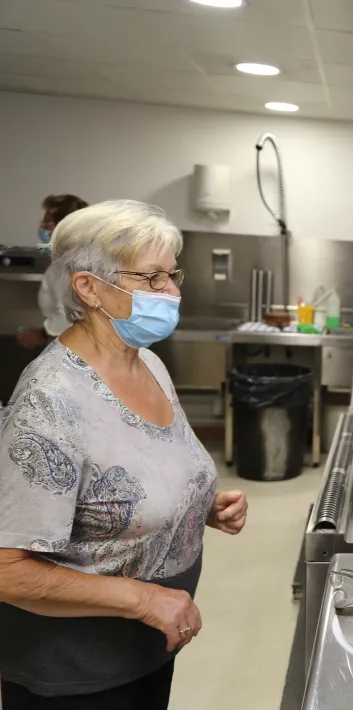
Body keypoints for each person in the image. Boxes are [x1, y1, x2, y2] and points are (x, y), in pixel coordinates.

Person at [0, 199, 249, 709]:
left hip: (147, 649)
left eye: (172, 275)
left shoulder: (148, 365)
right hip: (77, 672)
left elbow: (131, 472)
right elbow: (7, 568)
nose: (173, 292)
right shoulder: (52, 401)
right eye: (151, 279)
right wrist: (145, 598)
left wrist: (196, 505)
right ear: (88, 288)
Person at [17, 194, 89, 349]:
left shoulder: (70, 265)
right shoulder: (74, 258)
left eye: (46, 223)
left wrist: (42, 334)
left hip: (73, 344)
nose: (42, 227)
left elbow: (69, 315)